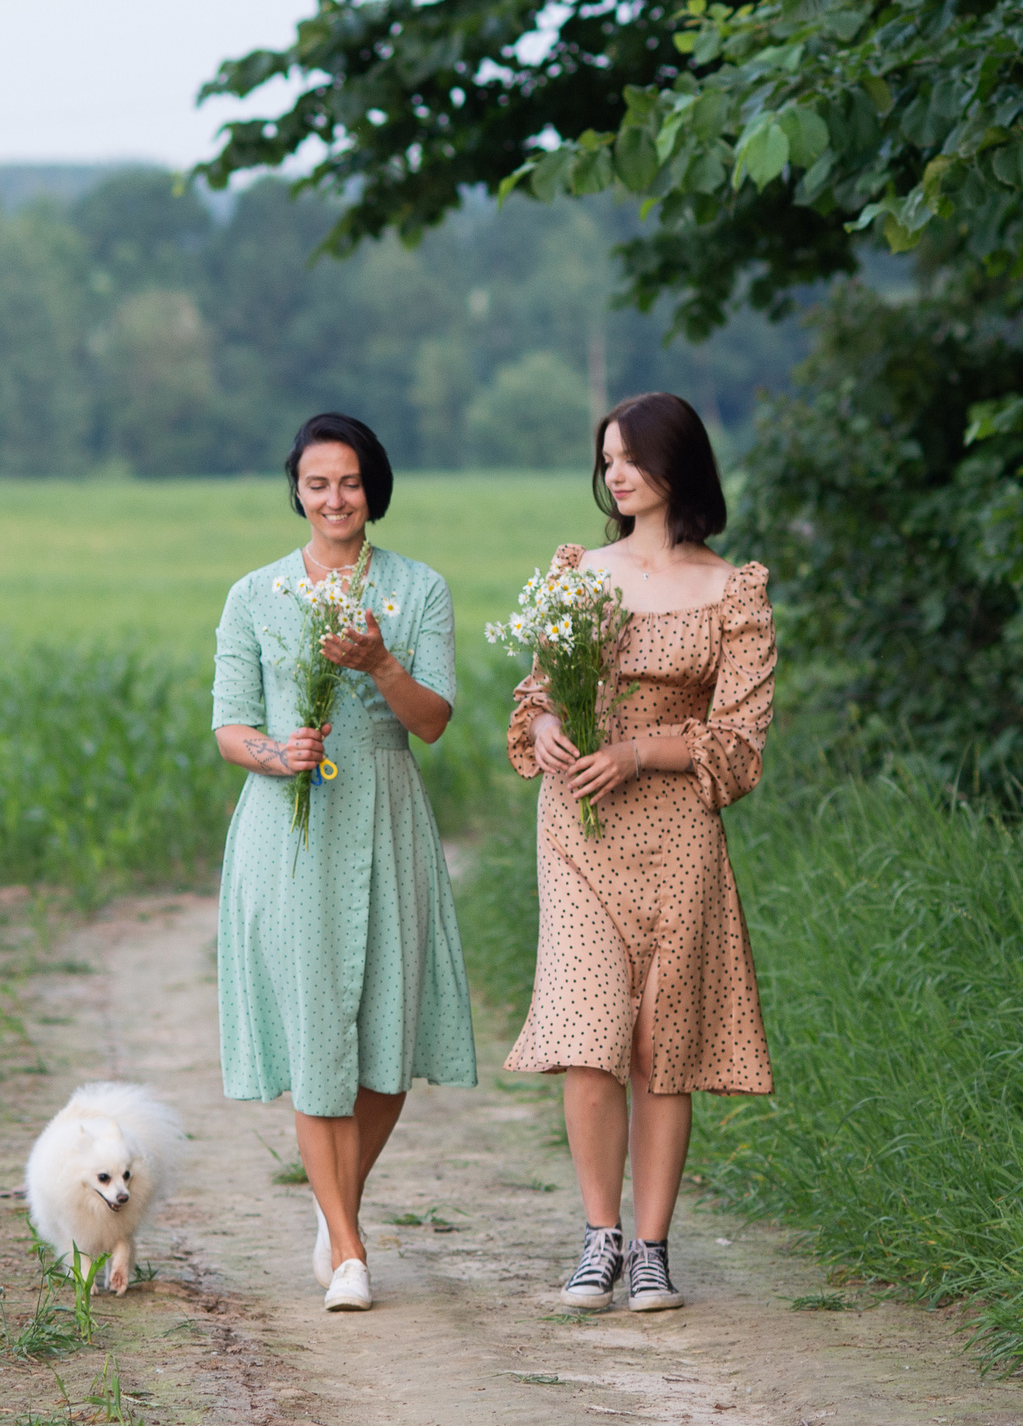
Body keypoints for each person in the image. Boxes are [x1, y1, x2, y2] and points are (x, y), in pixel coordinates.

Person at [505, 390, 777, 1313]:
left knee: (665, 1045)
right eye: (607, 458)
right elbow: (536, 689)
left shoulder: (733, 588)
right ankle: (599, 1239)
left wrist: (639, 752)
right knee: (590, 1035)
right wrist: (543, 725)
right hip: (579, 826)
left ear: (678, 467)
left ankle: (654, 1250)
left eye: (630, 458)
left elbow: (740, 743)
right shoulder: (577, 570)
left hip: (679, 834)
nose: (614, 474)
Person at [210, 411, 477, 1312]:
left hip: (387, 815)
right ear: (296, 488)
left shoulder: (419, 588)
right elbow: (228, 725)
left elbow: (434, 719)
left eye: (351, 482)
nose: (335, 498)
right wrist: (272, 752)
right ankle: (353, 1251)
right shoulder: (255, 593)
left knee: (386, 1047)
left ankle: (335, 1209)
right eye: (318, 482)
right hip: (289, 826)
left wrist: (380, 661)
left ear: (375, 488)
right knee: (317, 1031)